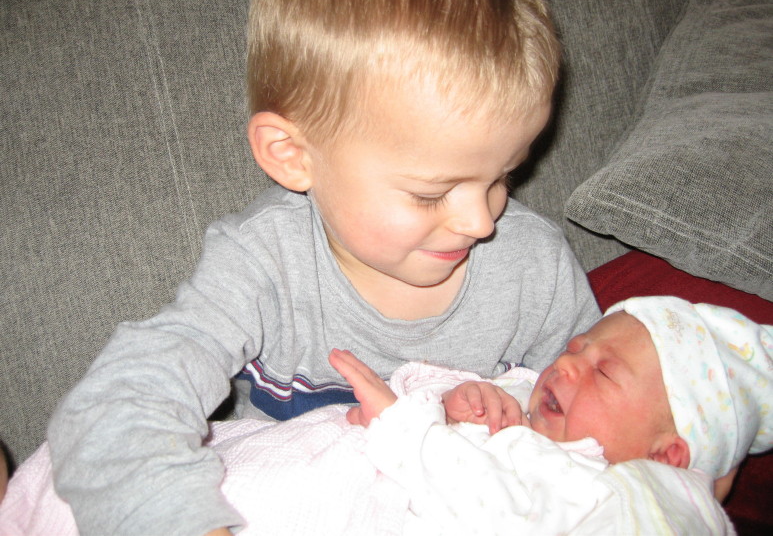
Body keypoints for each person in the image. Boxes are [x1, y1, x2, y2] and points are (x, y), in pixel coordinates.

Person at [46, 0, 599, 535]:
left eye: (503, 176)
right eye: (431, 194)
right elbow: (118, 407)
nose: (481, 221)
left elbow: (614, 424)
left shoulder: (535, 269)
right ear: (292, 155)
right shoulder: (263, 264)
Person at [6, 297, 768, 535]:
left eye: (602, 371)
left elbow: (503, 510)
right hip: (190, 476)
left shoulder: (617, 497)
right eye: (575, 348)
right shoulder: (522, 398)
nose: (565, 366)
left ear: (667, 454)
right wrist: (453, 394)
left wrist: (409, 428)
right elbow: (411, 383)